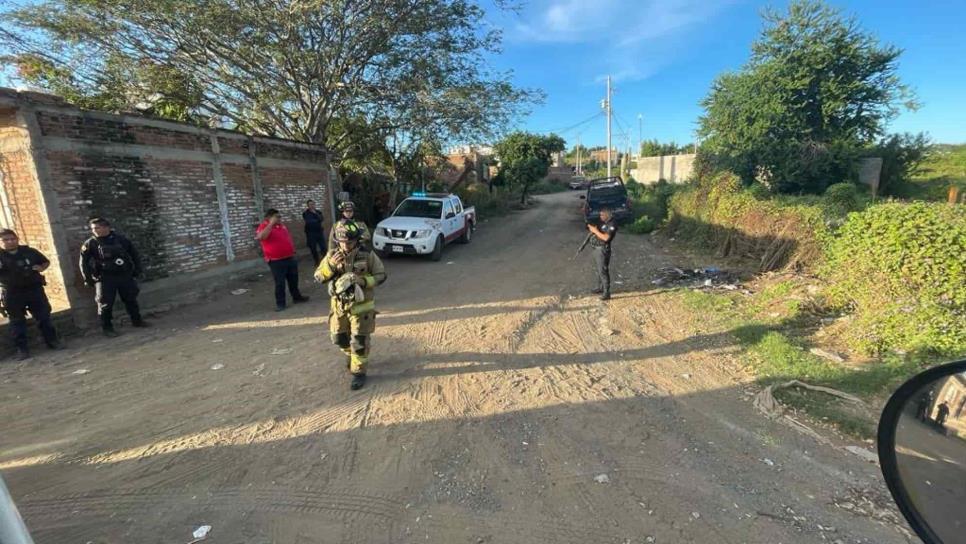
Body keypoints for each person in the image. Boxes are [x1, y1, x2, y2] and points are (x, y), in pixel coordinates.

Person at [315, 221, 386, 390]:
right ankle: (351, 355)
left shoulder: (367, 255)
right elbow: (318, 276)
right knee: (338, 338)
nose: (346, 246)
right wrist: (331, 266)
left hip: (362, 308)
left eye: (350, 242)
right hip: (339, 307)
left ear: (357, 241)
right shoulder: (331, 255)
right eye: (342, 242)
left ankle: (358, 373)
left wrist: (362, 281)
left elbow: (381, 275)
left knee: (359, 342)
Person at [0, 229, 62, 359]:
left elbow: (45, 261)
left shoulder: (29, 252)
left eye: (12, 239)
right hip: (13, 292)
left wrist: (41, 268)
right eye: (6, 240)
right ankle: (22, 350)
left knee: (44, 317)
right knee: (17, 322)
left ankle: (52, 342)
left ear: (17, 239)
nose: (10, 242)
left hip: (34, 290)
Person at [80, 218, 146, 337]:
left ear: (106, 227)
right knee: (105, 304)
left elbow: (134, 254)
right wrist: (87, 278)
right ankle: (107, 328)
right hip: (105, 278)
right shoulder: (91, 243)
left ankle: (137, 321)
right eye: (93, 229)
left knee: (131, 299)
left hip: (124, 275)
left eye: (97, 228)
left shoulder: (121, 240)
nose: (94, 231)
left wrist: (137, 270)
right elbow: (83, 262)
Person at [255, 209, 310, 312]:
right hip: (276, 261)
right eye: (277, 217)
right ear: (269, 217)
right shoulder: (264, 226)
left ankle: (297, 297)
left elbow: (286, 238)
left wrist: (293, 251)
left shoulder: (282, 226)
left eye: (279, 217)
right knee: (280, 283)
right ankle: (281, 303)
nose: (279, 218)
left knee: (293, 279)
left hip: (289, 257)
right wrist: (271, 224)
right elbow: (262, 237)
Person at [587, 208, 618, 301]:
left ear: (608, 215)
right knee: (599, 270)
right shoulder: (603, 222)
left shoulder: (612, 224)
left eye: (602, 215)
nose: (600, 217)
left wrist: (595, 231)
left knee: (603, 271)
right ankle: (600, 287)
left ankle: (606, 293)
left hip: (604, 250)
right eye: (600, 215)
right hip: (597, 249)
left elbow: (606, 238)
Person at [302, 199, 326, 265]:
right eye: (310, 205)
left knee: (324, 247)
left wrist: (315, 214)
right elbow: (309, 222)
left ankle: (325, 261)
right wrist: (317, 220)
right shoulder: (305, 213)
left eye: (313, 204)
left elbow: (321, 219)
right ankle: (317, 262)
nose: (312, 206)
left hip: (319, 232)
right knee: (313, 248)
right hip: (311, 233)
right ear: (308, 206)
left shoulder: (318, 212)